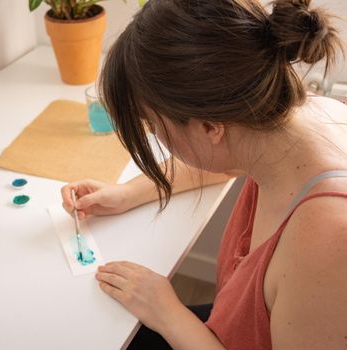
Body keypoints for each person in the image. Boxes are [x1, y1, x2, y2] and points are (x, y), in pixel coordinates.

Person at [60, 0, 347, 349]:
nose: (155, 135)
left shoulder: (325, 241)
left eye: (153, 124)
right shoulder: (302, 119)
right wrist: (126, 193)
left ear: (211, 125)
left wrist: (168, 312)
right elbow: (229, 160)